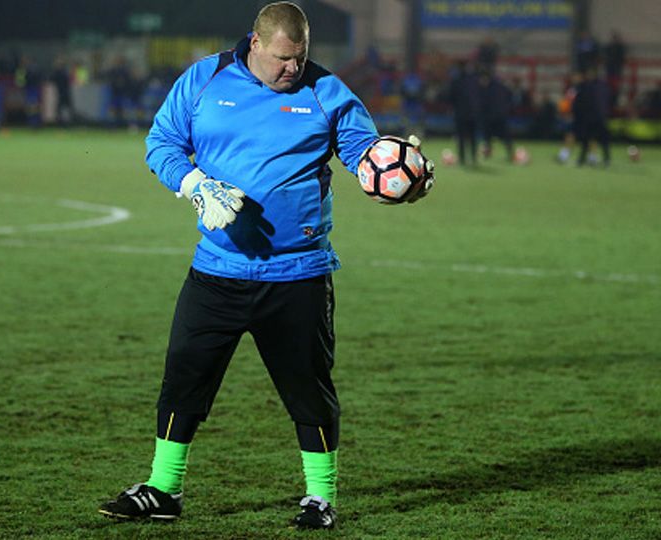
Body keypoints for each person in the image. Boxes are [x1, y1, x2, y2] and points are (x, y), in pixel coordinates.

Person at [97, 1, 433, 531]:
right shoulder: (204, 79)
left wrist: (399, 176)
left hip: (298, 275)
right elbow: (162, 143)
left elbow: (368, 156)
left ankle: (319, 497)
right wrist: (195, 185)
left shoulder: (326, 93)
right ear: (254, 44)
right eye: (282, 59)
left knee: (309, 389)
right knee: (185, 377)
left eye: (300, 59)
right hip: (217, 269)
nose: (291, 70)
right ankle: (164, 489)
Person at [573, 68, 611, 167]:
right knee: (591, 140)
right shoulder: (600, 86)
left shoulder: (587, 87)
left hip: (594, 118)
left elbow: (581, 103)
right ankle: (585, 159)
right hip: (595, 117)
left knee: (597, 139)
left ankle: (602, 159)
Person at [449, 60, 480, 166]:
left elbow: (451, 96)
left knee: (461, 137)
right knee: (472, 137)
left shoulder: (455, 81)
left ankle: (462, 158)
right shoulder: (473, 80)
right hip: (472, 113)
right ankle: (474, 157)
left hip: (460, 113)